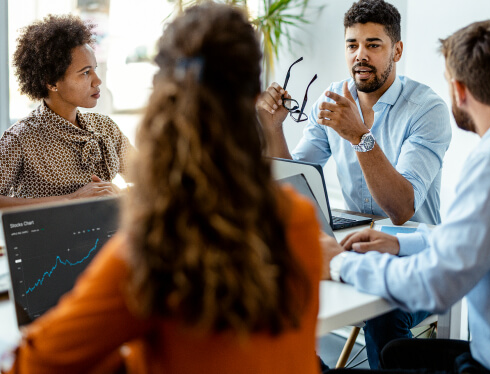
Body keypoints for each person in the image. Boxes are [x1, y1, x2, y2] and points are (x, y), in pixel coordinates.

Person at [5, 4, 322, 374]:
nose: (97, 81)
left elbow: (34, 364)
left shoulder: (150, 250)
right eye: (85, 72)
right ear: (255, 95)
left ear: (162, 98)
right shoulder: (300, 218)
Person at [322, 19, 490, 373]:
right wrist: (399, 244)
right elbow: (472, 241)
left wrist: (340, 264)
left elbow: (435, 285)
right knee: (396, 354)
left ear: (459, 90)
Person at [258, 0, 451, 368]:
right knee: (277, 290)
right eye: (352, 45)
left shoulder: (427, 109)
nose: (360, 55)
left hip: (416, 253)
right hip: (354, 245)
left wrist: (360, 137)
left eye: (373, 45)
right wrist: (274, 128)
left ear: (397, 50)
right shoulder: (332, 100)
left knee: (383, 316)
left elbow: (401, 209)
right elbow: (295, 181)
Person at [0, 14, 131, 208]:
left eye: (94, 69)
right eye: (86, 72)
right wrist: (70, 199)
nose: (98, 81)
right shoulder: (21, 139)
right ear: (52, 82)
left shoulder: (106, 127)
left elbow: (150, 178)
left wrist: (120, 194)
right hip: (49, 239)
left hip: (109, 237)